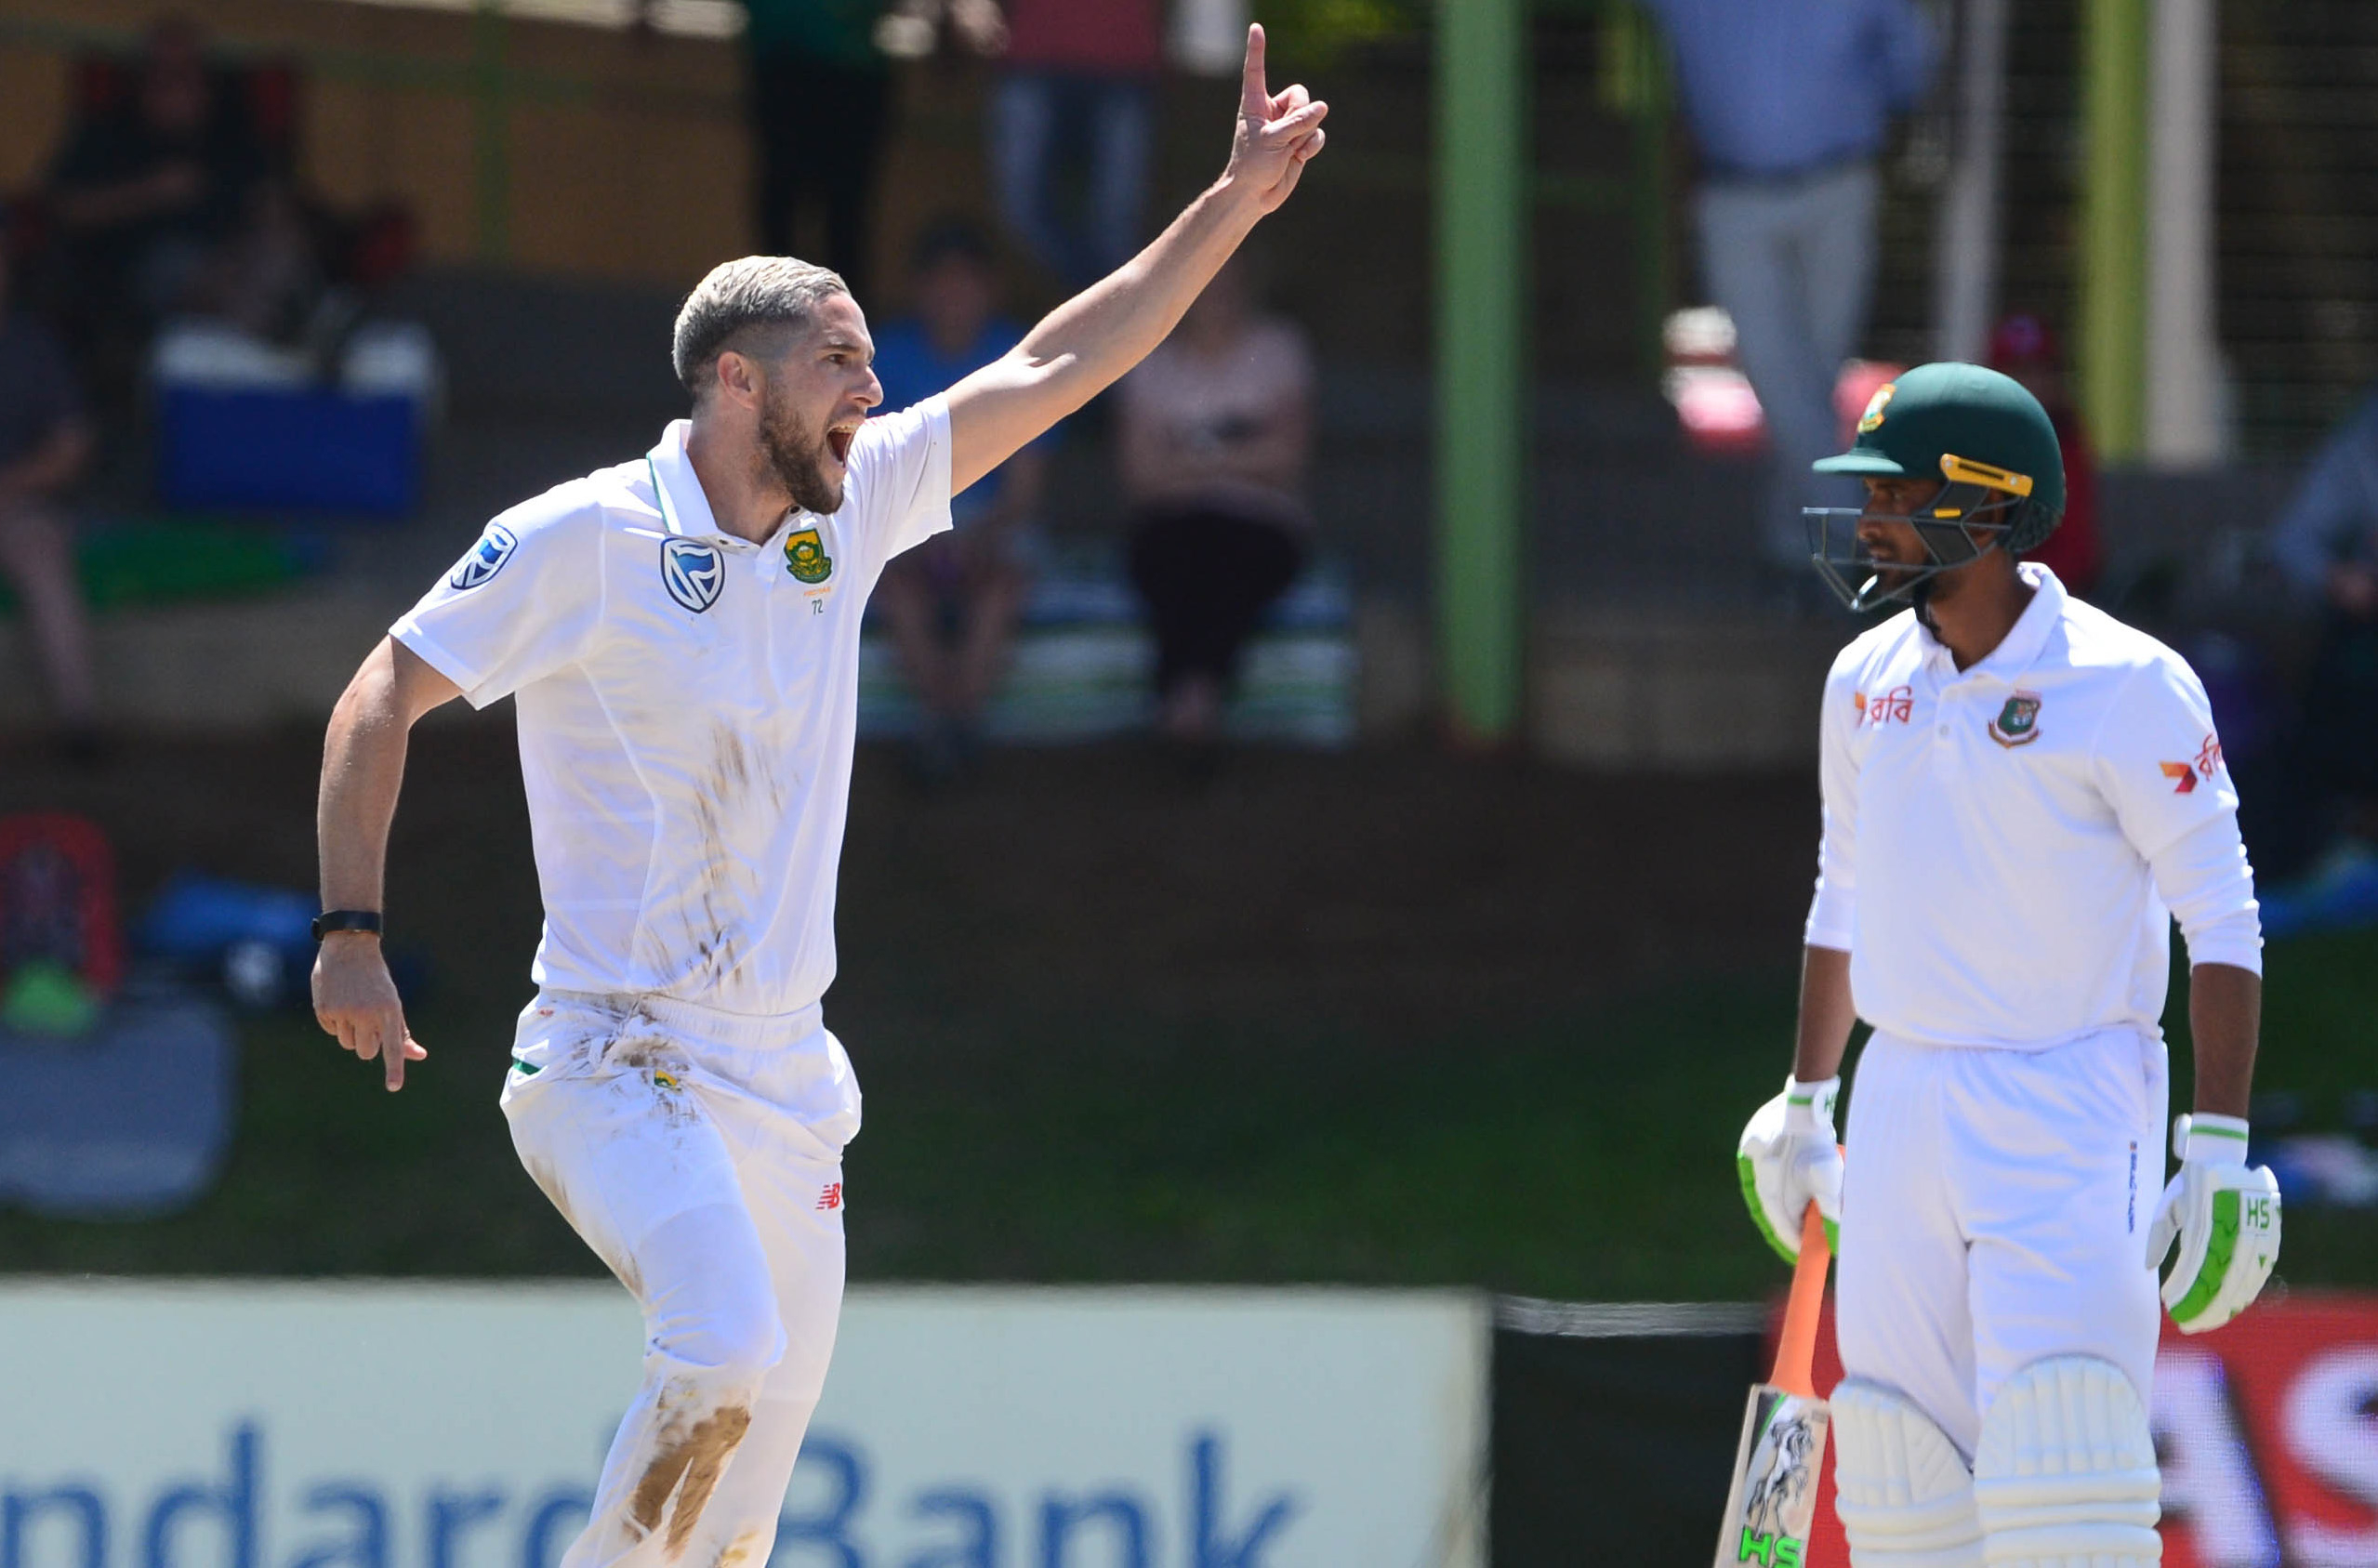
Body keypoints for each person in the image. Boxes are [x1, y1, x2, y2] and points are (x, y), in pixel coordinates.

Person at [310, 32, 1323, 1564]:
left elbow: (1058, 360)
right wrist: (349, 928)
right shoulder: (587, 537)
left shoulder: (839, 524)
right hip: (615, 1057)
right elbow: (382, 689)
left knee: (738, 1527)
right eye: (837, 358)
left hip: (787, 1086)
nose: (872, 383)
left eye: (868, 360)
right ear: (734, 380)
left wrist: (1234, 201)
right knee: (714, 1345)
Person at [1737, 363, 2281, 1567]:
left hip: (2069, 1097)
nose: (1866, 518)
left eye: (1890, 491)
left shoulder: (2127, 683)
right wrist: (1807, 1097)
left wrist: (2218, 1147)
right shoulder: (1863, 678)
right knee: (1895, 1478)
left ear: (1986, 508)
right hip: (1903, 1099)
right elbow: (1844, 887)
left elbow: (2222, 915)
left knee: (2062, 1480)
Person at [1638, 0, 1935, 582]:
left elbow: (1911, 62)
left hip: (1839, 185)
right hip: (1733, 196)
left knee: (1817, 373)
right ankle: (1859, 536)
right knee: (1773, 372)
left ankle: (1796, 552)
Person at [867, 219, 1048, 781]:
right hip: (904, 518)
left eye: (966, 282)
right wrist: (922, 533)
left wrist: (977, 536)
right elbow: (868, 472)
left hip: (993, 523)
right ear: (919, 289)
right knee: (899, 592)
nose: (954, 296)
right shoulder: (884, 359)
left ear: (989, 288)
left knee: (999, 591)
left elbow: (1024, 491)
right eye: (941, 282)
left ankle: (958, 725)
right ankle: (939, 724)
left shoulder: (1015, 356)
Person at [1116, 254, 1313, 754]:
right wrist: (1238, 451)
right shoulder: (1148, 358)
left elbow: (1287, 455)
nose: (1216, 293)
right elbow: (1141, 473)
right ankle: (1194, 701)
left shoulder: (1277, 348)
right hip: (1170, 523)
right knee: (1172, 566)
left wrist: (1186, 452)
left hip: (1259, 523)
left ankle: (1188, 696)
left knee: (1232, 566)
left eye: (1228, 278)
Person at [46, 16, 267, 342]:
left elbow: (267, 200)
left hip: (239, 264)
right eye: (163, 75)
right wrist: (148, 193)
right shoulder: (108, 130)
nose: (176, 86)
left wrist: (245, 250)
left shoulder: (231, 133)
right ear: (143, 79)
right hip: (133, 276)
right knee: (176, 264)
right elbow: (65, 208)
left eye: (187, 74)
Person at [0, 223, 100, 757]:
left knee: (43, 558)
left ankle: (79, 725)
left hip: (16, 504)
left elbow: (71, 445)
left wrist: (9, 486)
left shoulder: (30, 344)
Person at [990, 0, 1161, 287]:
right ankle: (1090, 301)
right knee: (1021, 212)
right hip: (1031, 59)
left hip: (1125, 64)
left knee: (1116, 223)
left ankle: (1103, 308)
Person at [742, 0, 891, 296]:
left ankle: (843, 331)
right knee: (780, 208)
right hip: (782, 63)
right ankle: (773, 314)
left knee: (844, 219)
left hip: (853, 71)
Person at [1985, 313, 2103, 598]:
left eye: (2037, 371)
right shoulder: (1972, 441)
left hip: (2051, 597)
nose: (2028, 384)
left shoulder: (2066, 442)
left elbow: (2077, 552)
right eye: (2015, 371)